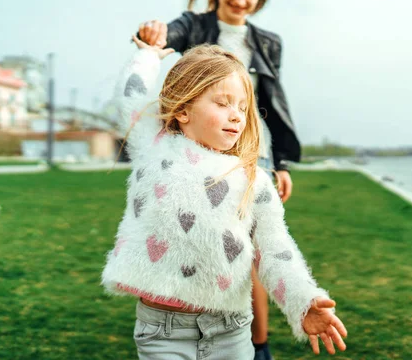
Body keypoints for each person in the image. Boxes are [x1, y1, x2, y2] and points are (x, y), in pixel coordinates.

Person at [101, 37, 347, 359]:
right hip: (163, 332)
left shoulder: (252, 179)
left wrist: (304, 301)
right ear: (184, 109)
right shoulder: (154, 146)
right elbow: (131, 95)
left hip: (231, 332)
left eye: (243, 107)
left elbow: (276, 251)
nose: (237, 115)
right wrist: (147, 56)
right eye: (222, 103)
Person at [138, 0, 298, 357]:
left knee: (256, 246)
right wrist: (152, 36)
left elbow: (271, 107)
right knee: (209, 243)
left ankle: (255, 345)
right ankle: (185, 328)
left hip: (253, 155)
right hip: (198, 153)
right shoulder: (194, 27)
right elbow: (162, 39)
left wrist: (282, 163)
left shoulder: (268, 43)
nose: (241, 0)